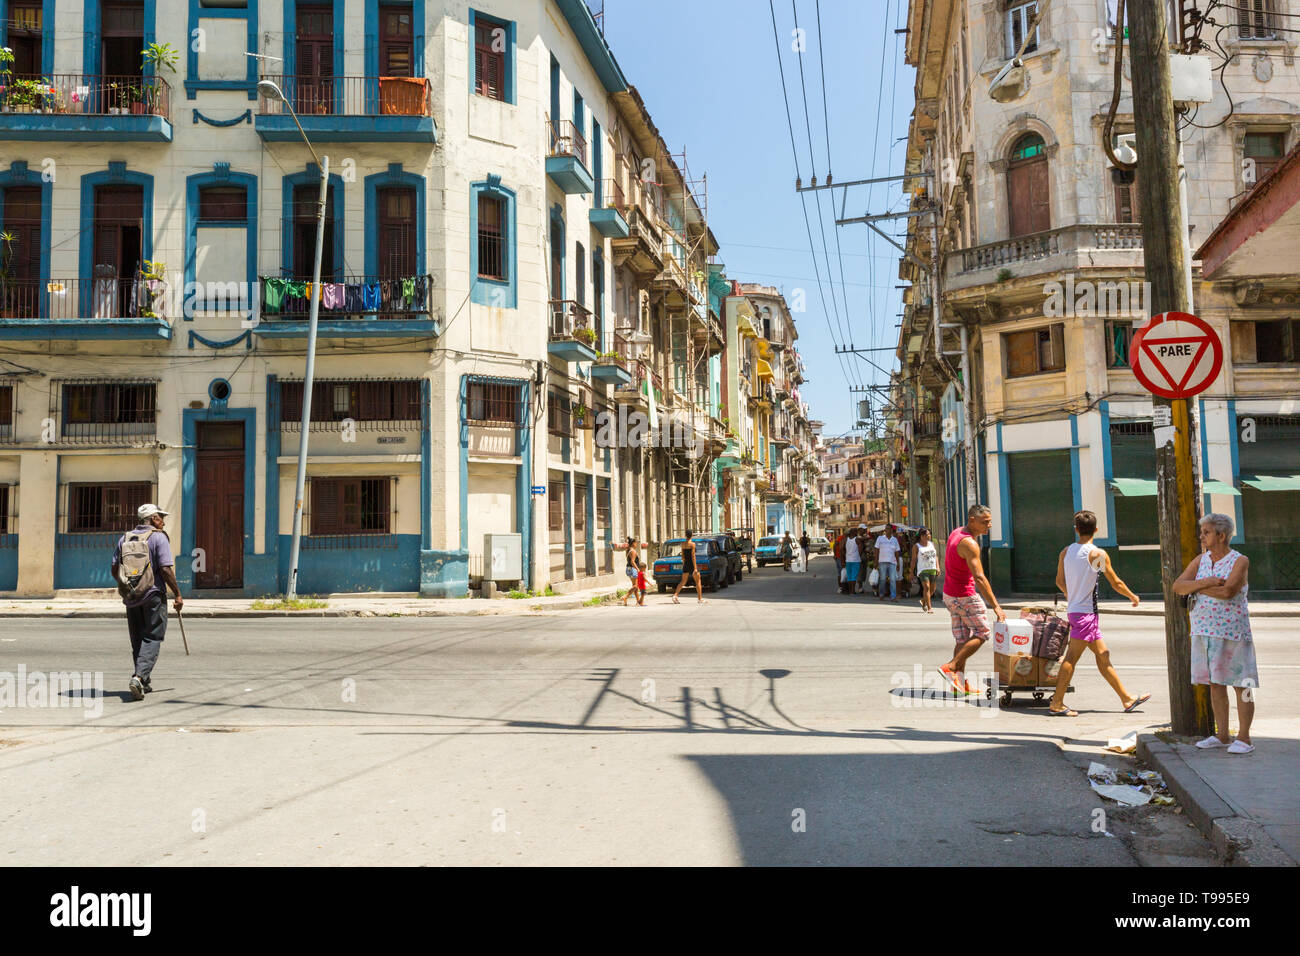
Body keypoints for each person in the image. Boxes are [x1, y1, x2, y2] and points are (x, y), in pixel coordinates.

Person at [1047, 511, 1149, 717]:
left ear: (1076, 529)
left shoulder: (1066, 552)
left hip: (1079, 611)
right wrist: (1132, 596)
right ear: (1096, 530)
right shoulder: (1096, 555)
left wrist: (1071, 595)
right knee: (1072, 658)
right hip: (1085, 614)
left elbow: (1059, 581)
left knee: (1103, 656)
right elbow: (1115, 582)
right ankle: (1057, 703)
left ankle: (1127, 699)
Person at [1173, 513, 1258, 754]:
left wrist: (1198, 589)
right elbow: (1178, 586)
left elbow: (1229, 592)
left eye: (1206, 532)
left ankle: (1244, 737)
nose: (1202, 537)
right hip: (1204, 631)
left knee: (1242, 684)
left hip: (1232, 633)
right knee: (1215, 684)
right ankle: (1222, 735)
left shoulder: (1239, 561)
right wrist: (1208, 582)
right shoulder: (1201, 560)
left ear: (1221, 535)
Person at [110, 503, 183, 702]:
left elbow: (114, 568)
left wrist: (127, 587)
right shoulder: (158, 538)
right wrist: (177, 594)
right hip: (153, 595)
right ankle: (139, 677)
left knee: (137, 639)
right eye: (160, 517)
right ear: (151, 519)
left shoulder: (124, 539)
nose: (163, 521)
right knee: (152, 637)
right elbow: (166, 570)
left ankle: (144, 681)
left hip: (132, 597)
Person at [938, 504, 1005, 696]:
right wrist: (996, 607)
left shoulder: (956, 533)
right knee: (982, 632)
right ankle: (950, 667)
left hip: (950, 595)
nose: (989, 525)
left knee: (962, 638)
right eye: (985, 522)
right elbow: (980, 578)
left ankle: (957, 685)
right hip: (965, 596)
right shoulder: (969, 543)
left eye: (990, 521)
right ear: (972, 520)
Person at [911, 528, 940, 613]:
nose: (929, 536)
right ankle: (930, 607)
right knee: (926, 587)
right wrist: (911, 572)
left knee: (933, 589)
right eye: (927, 534)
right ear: (921, 536)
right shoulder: (916, 546)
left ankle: (924, 601)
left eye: (929, 534)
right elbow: (913, 560)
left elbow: (936, 557)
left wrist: (937, 567)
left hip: (933, 568)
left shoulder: (932, 544)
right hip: (923, 570)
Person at [672, 530, 705, 605]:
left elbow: (683, 555)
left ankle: (675, 595)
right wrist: (695, 568)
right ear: (692, 535)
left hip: (686, 563)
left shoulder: (683, 544)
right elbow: (693, 556)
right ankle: (700, 599)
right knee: (698, 581)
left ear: (686, 535)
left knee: (683, 581)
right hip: (692, 564)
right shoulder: (692, 544)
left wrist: (684, 563)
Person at [875, 524, 902, 601]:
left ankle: (893, 596)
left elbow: (897, 552)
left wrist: (898, 563)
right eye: (886, 529)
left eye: (889, 529)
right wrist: (875, 561)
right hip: (882, 561)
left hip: (892, 562)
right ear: (885, 530)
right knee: (882, 579)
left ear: (891, 530)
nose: (887, 530)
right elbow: (876, 550)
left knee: (893, 579)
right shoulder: (880, 538)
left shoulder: (895, 540)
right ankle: (881, 594)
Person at [621, 536, 645, 607]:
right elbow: (632, 562)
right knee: (636, 586)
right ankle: (625, 596)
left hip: (628, 569)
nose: (636, 544)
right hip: (633, 569)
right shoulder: (633, 551)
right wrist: (638, 569)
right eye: (636, 543)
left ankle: (638, 601)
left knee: (635, 586)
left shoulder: (628, 550)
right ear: (633, 543)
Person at [844, 525, 862, 593]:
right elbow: (860, 548)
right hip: (855, 560)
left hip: (848, 560)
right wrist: (858, 555)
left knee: (849, 576)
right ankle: (853, 590)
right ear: (854, 532)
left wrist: (845, 554)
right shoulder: (857, 539)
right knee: (854, 576)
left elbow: (841, 548)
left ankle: (850, 590)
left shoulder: (846, 539)